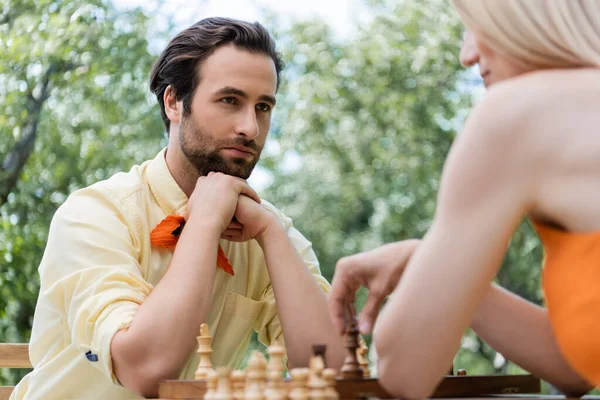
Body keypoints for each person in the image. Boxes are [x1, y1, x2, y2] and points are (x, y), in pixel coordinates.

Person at [11, 17, 345, 400]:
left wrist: (271, 235)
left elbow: (334, 373)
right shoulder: (94, 214)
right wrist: (204, 220)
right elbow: (146, 370)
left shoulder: (268, 228)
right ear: (174, 102)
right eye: (230, 100)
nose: (250, 127)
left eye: (263, 106)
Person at [328, 1, 600, 398]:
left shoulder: (518, 113)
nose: (466, 55)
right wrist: (437, 268)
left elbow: (404, 369)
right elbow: (574, 364)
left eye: (476, 26)